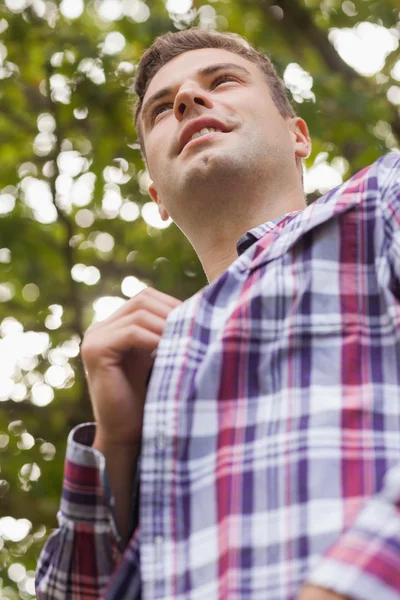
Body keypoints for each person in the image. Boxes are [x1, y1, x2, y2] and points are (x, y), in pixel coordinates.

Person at [35, 27, 400, 600]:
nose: (186, 101)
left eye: (223, 81)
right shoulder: (145, 367)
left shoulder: (383, 199)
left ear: (297, 134)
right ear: (155, 193)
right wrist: (117, 441)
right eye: (162, 109)